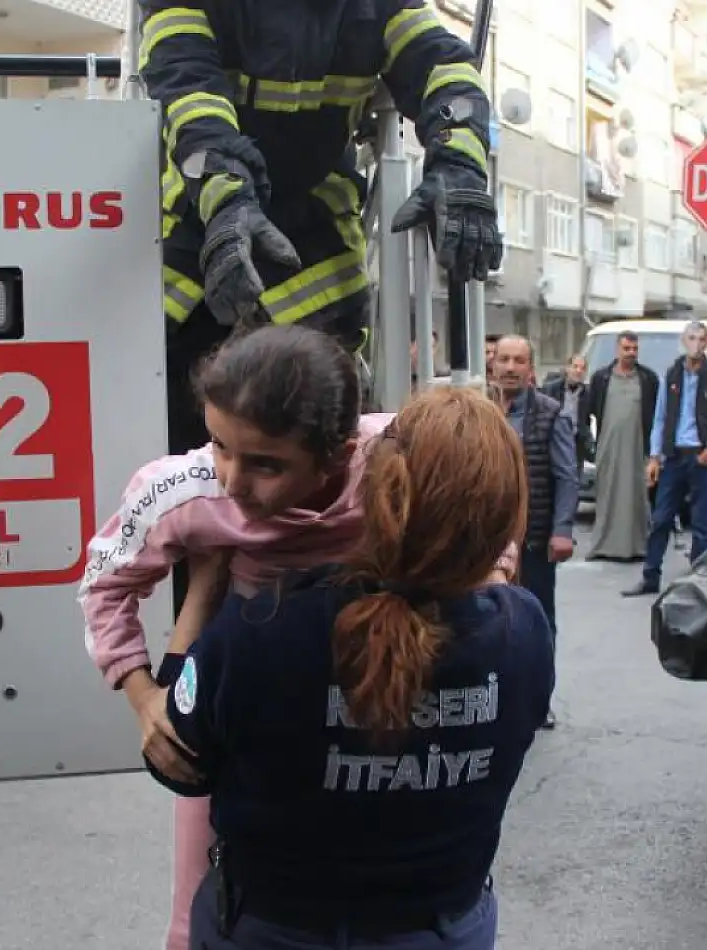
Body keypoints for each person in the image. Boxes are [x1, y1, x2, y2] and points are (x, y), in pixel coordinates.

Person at [80, 324, 515, 949]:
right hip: (252, 693)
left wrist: (468, 624)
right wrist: (143, 695)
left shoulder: (397, 457)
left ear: (339, 454)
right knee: (195, 903)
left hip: (387, 686)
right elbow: (103, 587)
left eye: (265, 464)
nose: (231, 481)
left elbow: (486, 519)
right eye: (219, 445)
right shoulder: (183, 490)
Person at [140, 0, 505, 456]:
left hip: (312, 239)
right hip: (200, 235)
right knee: (175, 446)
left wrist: (459, 165)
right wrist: (226, 197)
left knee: (317, 454)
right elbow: (189, 92)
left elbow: (445, 67)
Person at [491, 335, 576, 729]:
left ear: (530, 369)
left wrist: (562, 530)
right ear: (493, 364)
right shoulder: (479, 409)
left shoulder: (550, 413)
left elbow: (565, 475)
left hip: (534, 539)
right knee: (488, 619)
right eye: (503, 359)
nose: (510, 367)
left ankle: (538, 702)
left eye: (518, 360)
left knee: (537, 620)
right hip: (485, 538)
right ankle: (496, 700)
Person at [623, 320, 707, 595]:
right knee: (661, 518)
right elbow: (661, 419)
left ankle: (698, 584)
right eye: (691, 338)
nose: (696, 344)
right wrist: (654, 457)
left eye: (701, 339)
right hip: (673, 457)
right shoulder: (671, 376)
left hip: (701, 457)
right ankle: (650, 577)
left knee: (700, 524)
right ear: (684, 342)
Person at [585, 330, 658, 561]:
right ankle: (602, 546)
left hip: (637, 446)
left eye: (635, 349)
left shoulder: (648, 379)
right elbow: (587, 412)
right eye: (626, 348)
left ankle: (636, 548)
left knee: (636, 495)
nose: (631, 353)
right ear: (617, 349)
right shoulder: (601, 378)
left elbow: (657, 416)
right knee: (607, 494)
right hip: (608, 445)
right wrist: (589, 444)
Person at [539, 351, 590, 462]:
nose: (578, 371)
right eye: (575, 366)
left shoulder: (586, 393)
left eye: (583, 368)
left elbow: (586, 420)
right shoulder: (551, 389)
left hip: (576, 443)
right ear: (567, 368)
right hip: (555, 440)